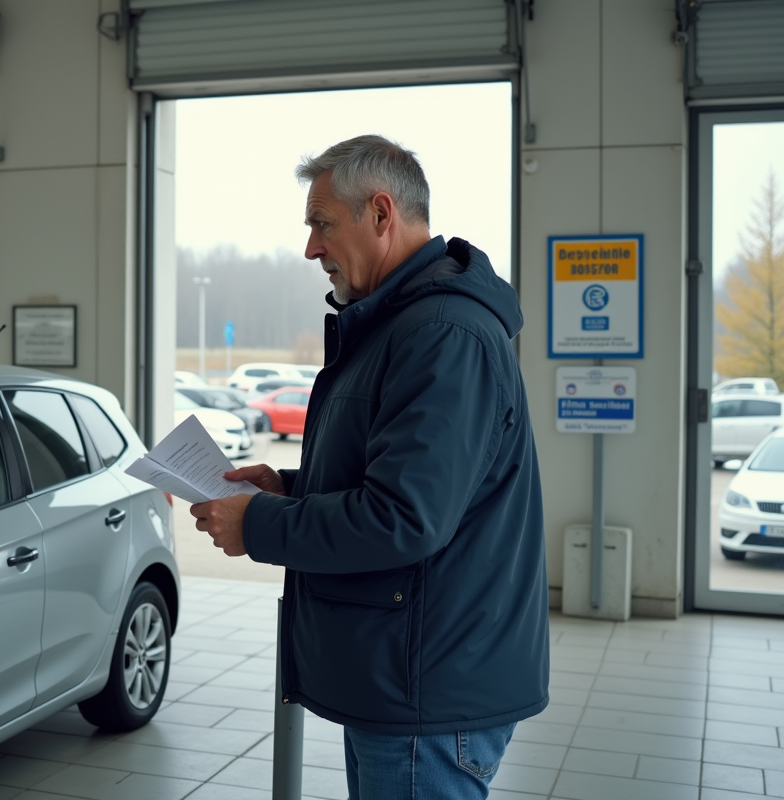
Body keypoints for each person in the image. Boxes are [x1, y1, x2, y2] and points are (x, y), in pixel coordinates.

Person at [190, 135, 549, 799]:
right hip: (406, 672)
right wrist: (287, 489)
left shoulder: (443, 334)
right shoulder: (401, 324)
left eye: (321, 224)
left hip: (426, 686)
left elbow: (403, 518)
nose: (311, 249)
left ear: (381, 213)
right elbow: (393, 479)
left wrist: (260, 525)